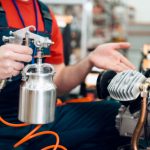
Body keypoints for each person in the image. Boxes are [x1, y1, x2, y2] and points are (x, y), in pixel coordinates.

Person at [0, 0, 135, 150]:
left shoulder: (44, 14)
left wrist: (89, 60)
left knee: (117, 117)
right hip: (4, 123)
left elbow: (58, 80)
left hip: (39, 117)